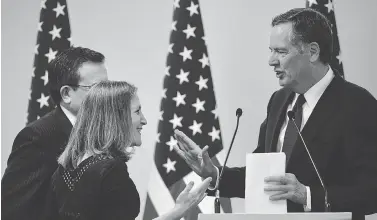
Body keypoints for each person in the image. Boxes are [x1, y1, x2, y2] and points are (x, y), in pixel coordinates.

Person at [173, 8, 377, 220]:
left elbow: (372, 192)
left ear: (313, 52)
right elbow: (263, 177)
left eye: (281, 52)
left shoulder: (358, 105)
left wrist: (307, 195)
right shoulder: (279, 101)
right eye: (271, 51)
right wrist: (214, 174)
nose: (271, 61)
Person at [44, 81, 211, 220]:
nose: (144, 120)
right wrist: (180, 210)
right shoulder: (110, 170)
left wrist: (178, 210)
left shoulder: (63, 170)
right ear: (116, 118)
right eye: (137, 111)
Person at [2, 47, 109, 220]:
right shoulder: (38, 137)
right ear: (66, 94)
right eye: (97, 88)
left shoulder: (99, 135)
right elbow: (14, 211)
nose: (108, 96)